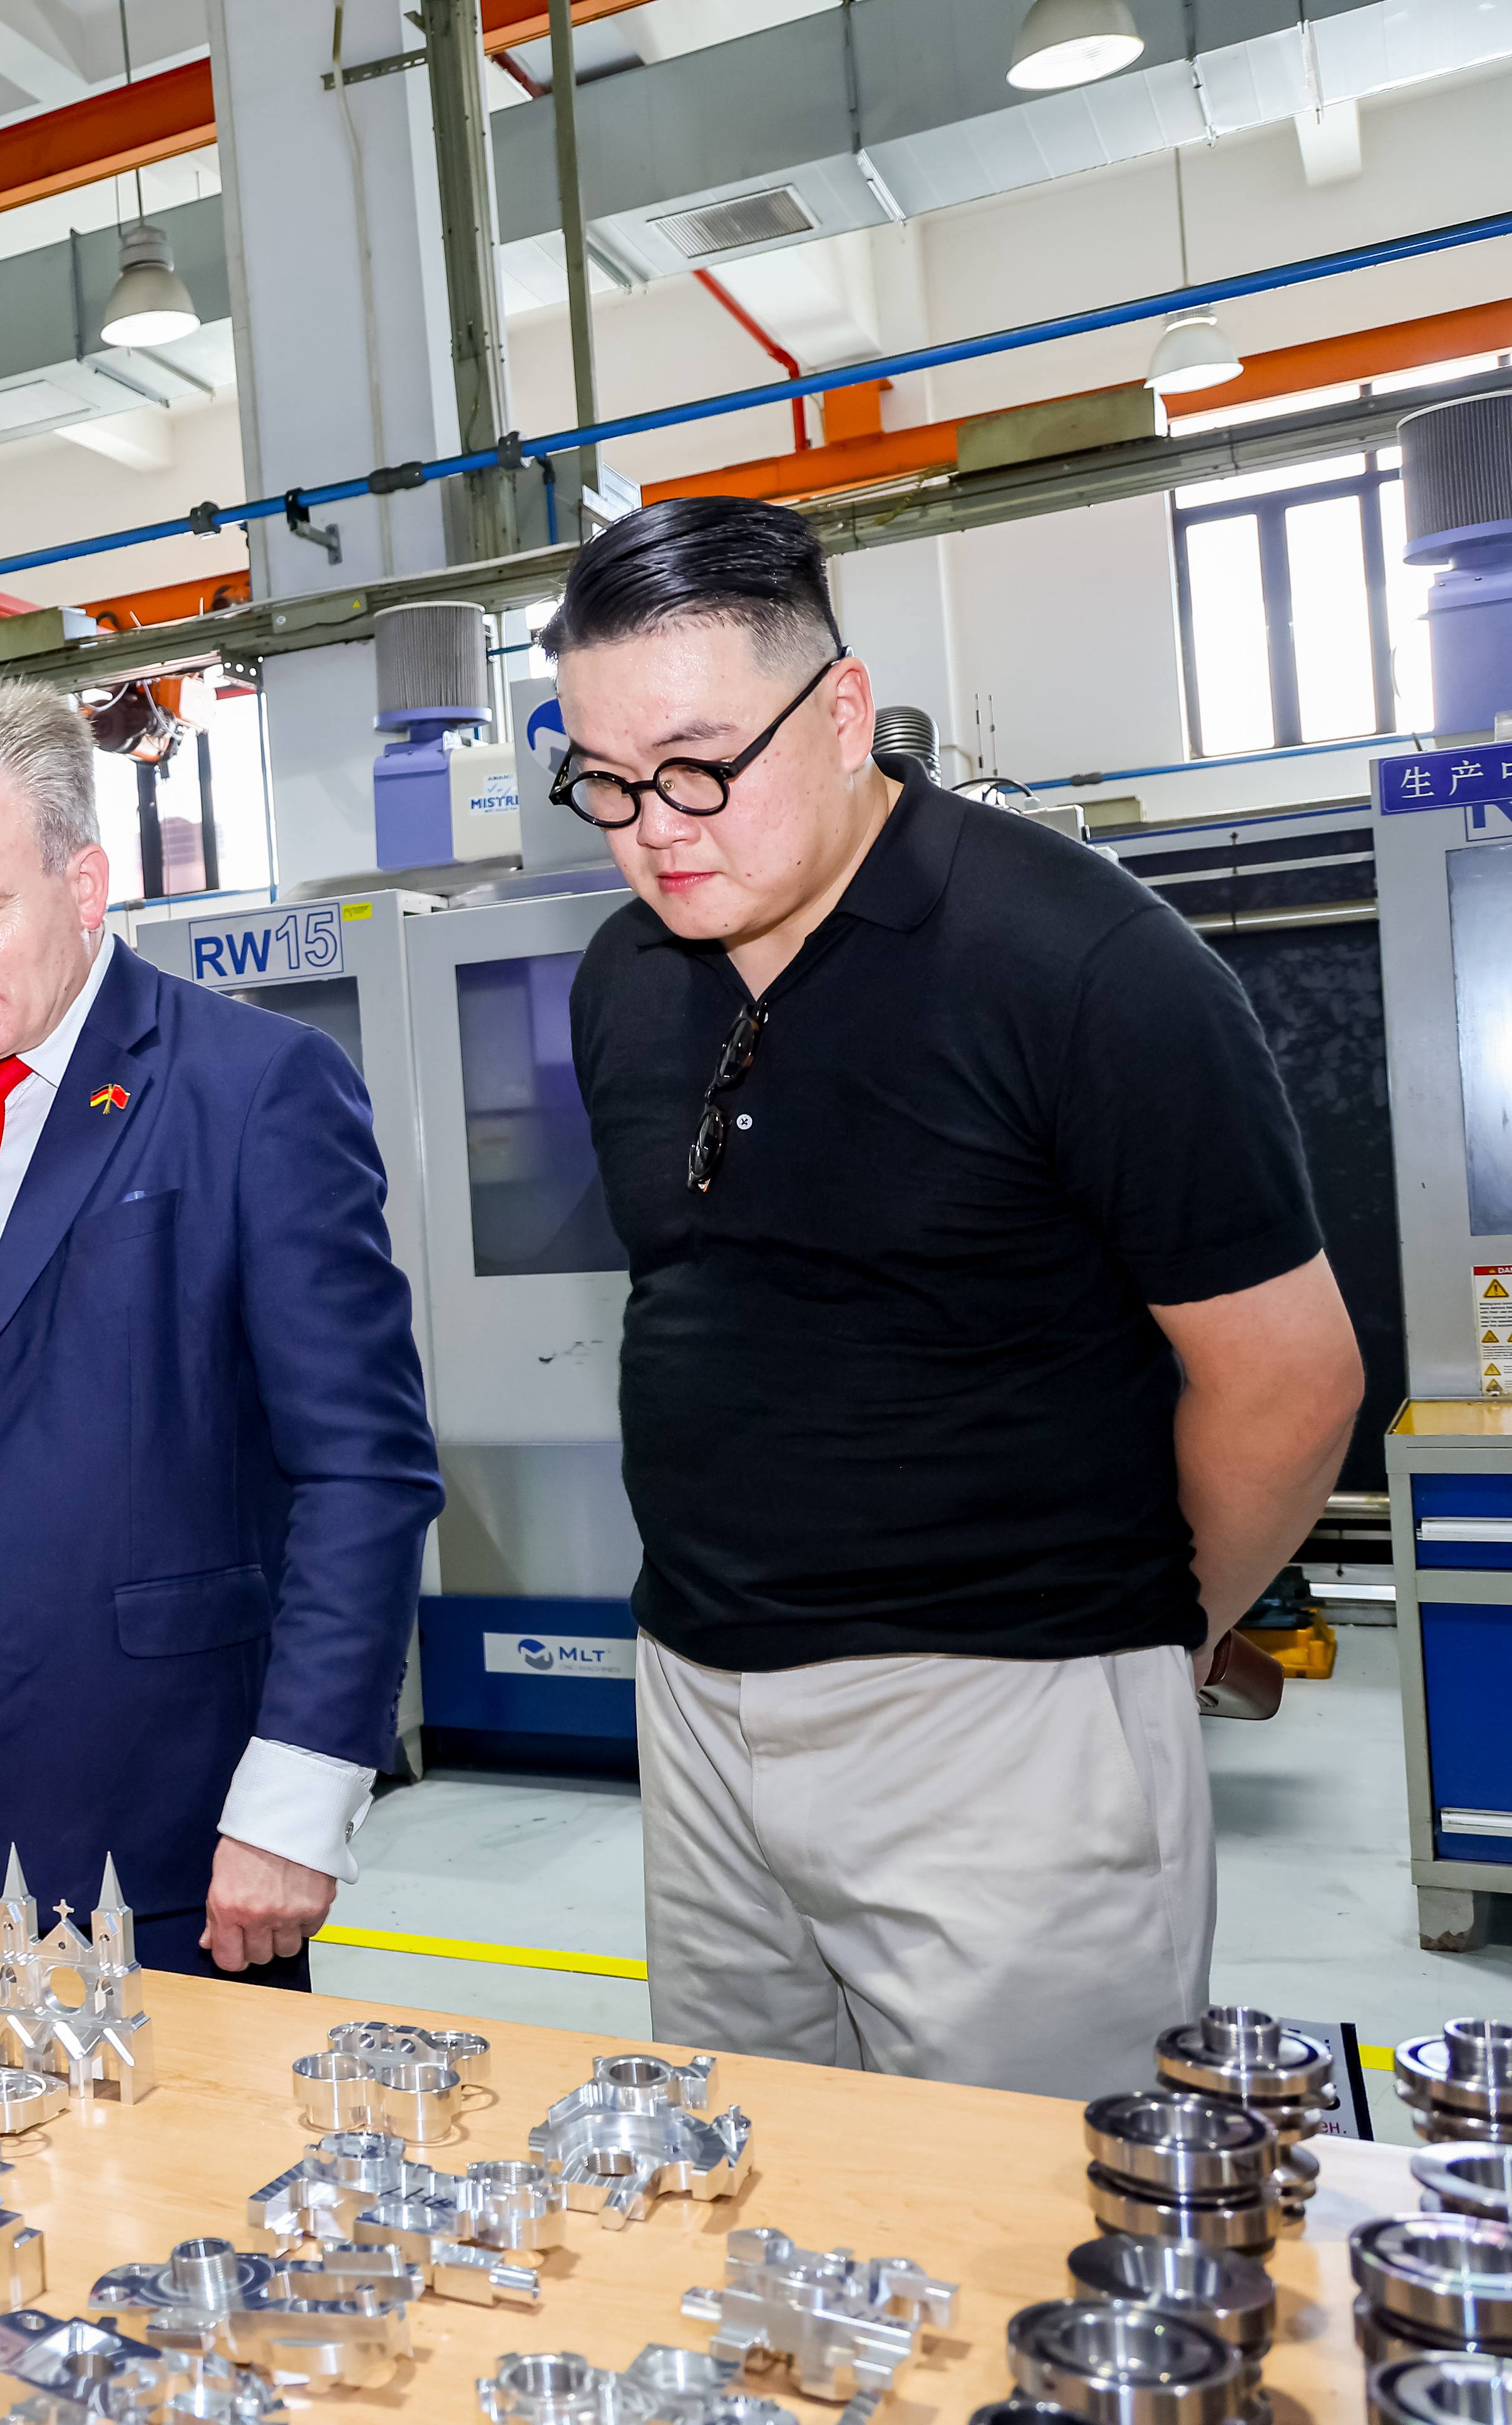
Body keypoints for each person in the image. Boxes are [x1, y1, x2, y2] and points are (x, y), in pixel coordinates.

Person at [548, 496, 1363, 2097]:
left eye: (702, 765)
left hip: (1010, 1722)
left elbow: (1287, 1378)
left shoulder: (1080, 969)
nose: (656, 825)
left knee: (1014, 2229)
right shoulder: (624, 978)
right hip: (699, 1706)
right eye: (604, 780)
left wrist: (1142, 1639)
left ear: (841, 714)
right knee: (755, 2204)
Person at [0, 685, 438, 1984]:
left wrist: (294, 1798)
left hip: (153, 1793)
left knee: (162, 2175)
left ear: (84, 884)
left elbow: (366, 1470)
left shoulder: (250, 1090)